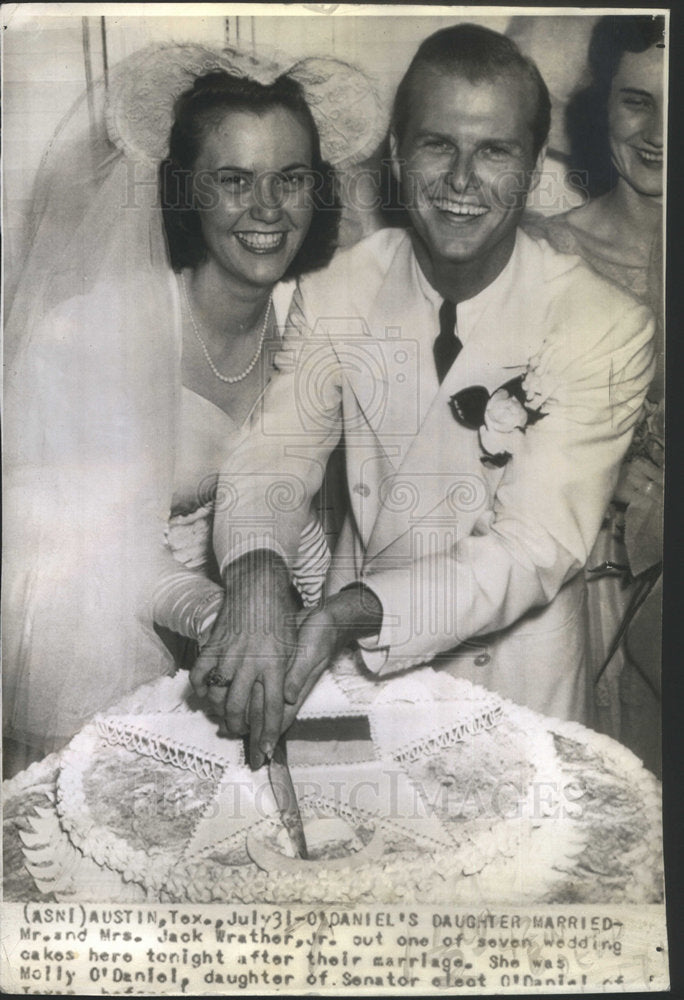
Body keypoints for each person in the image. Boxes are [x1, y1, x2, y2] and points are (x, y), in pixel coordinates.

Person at [189, 22, 655, 767]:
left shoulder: (605, 324)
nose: (462, 180)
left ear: (534, 167)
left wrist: (350, 612)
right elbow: (275, 452)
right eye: (439, 144)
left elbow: (530, 549)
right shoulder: (341, 285)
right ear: (399, 157)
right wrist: (253, 577)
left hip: (511, 688)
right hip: (347, 683)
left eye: (494, 150)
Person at [2, 43, 382, 776]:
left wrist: (285, 620)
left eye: (291, 178)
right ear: (185, 192)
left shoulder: (321, 321)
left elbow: (329, 516)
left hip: (271, 636)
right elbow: (61, 545)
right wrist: (218, 614)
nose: (268, 209)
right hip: (108, 647)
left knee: (349, 809)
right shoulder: (96, 329)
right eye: (234, 180)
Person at [524, 15, 665, 772]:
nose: (658, 132)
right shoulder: (545, 252)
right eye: (636, 101)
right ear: (600, 108)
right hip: (594, 590)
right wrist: (594, 470)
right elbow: (476, 436)